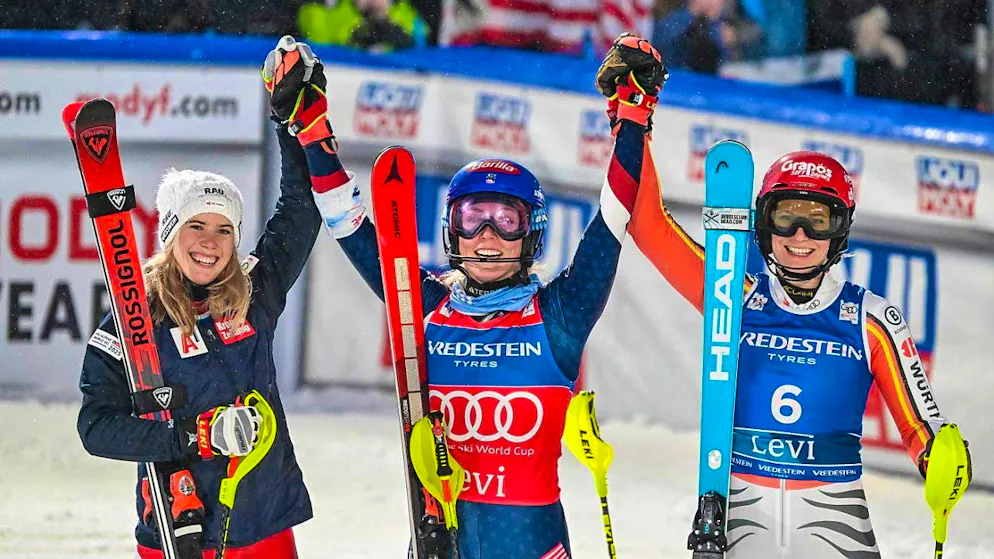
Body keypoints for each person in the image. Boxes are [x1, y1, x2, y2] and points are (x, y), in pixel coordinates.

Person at [309, 33, 665, 558]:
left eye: (507, 219)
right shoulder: (424, 309)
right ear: (452, 233)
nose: (488, 236)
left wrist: (631, 119)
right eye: (472, 219)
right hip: (439, 543)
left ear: (532, 234)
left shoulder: (560, 317)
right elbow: (349, 225)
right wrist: (310, 127)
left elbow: (611, 222)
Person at [627, 149, 973, 557]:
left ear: (840, 228)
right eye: (785, 216)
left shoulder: (872, 319)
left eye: (818, 220)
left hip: (836, 523)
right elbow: (648, 226)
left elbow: (922, 427)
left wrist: (943, 459)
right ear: (764, 223)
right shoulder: (730, 294)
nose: (800, 235)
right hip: (741, 520)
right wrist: (634, 118)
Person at [76, 36, 344, 558]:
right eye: (196, 225)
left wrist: (291, 122)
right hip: (179, 534)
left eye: (224, 230)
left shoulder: (253, 293)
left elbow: (299, 210)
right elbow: (96, 426)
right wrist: (193, 437)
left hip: (265, 525)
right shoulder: (133, 317)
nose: (209, 242)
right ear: (170, 233)